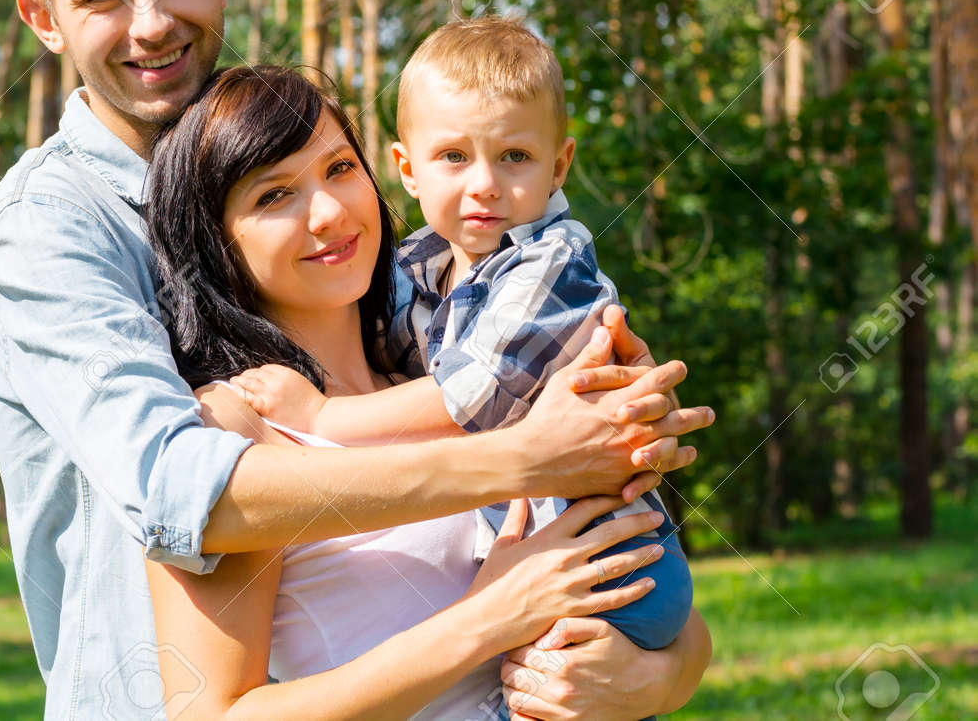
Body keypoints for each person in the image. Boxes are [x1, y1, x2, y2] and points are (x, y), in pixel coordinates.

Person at [0, 0, 713, 716]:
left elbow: (639, 582)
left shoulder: (417, 341)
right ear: (44, 19)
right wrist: (520, 462)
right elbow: (186, 486)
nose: (150, 23)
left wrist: (654, 672)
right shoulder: (55, 231)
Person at [142, 63, 676, 719]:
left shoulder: (446, 377)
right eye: (274, 195)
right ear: (214, 241)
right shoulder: (225, 430)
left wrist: (653, 676)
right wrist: (489, 619)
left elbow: (670, 609)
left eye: (339, 169)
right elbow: (208, 714)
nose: (331, 212)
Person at [232, 18, 691, 662]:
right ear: (407, 169)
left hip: (611, 556)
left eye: (515, 157)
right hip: (545, 555)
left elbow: (467, 395)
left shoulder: (552, 261)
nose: (483, 183)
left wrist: (321, 415)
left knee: (553, 688)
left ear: (559, 165)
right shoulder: (420, 266)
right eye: (453, 156)